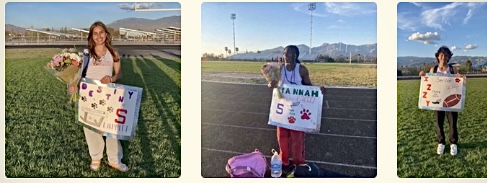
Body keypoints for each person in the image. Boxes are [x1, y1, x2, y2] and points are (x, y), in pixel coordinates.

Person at [267, 45, 326, 174]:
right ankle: (284, 161)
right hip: (283, 106)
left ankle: (299, 162)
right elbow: (272, 82)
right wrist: (271, 84)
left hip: (299, 108)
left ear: (296, 55)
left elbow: (309, 87)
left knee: (297, 137)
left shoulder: (302, 70)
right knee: (282, 136)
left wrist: (318, 90)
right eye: (284, 53)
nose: (286, 56)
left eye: (289, 53)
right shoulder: (279, 69)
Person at [81, 21, 126, 171]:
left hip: (108, 94)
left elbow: (119, 73)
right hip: (89, 94)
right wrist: (73, 86)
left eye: (102, 32)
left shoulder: (113, 53)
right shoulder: (86, 53)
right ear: (91, 36)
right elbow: (78, 74)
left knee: (111, 128)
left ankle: (114, 159)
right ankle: (96, 157)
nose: (99, 36)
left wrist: (111, 79)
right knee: (91, 127)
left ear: (106, 34)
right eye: (95, 33)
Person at [419, 46, 463, 156]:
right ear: (438, 57)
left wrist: (462, 79)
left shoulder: (452, 69)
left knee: (452, 123)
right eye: (441, 55)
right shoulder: (433, 70)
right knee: (439, 123)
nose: (443, 57)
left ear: (448, 58)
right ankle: (441, 143)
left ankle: (453, 143)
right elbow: (428, 83)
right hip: (437, 101)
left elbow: (458, 83)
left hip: (451, 101)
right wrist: (423, 76)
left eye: (446, 55)